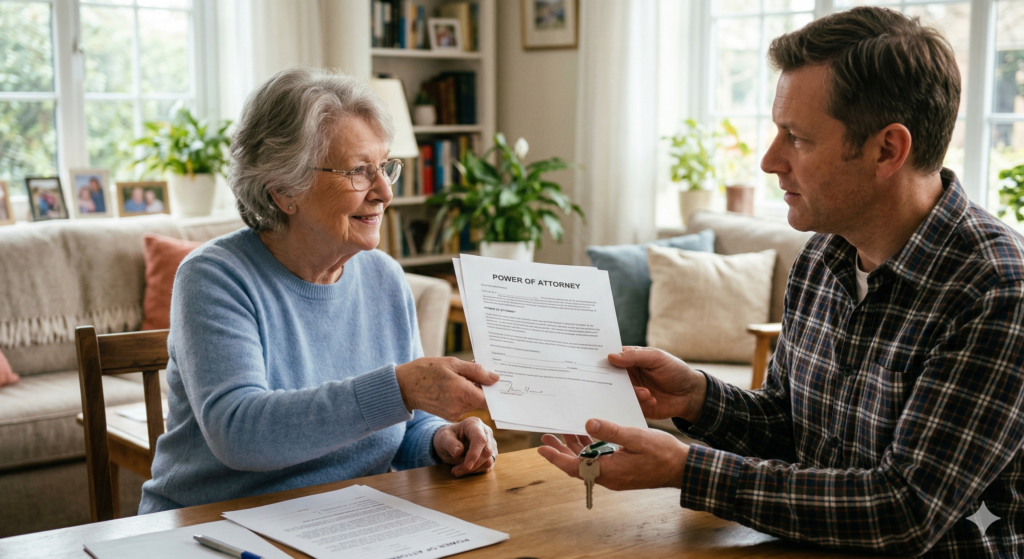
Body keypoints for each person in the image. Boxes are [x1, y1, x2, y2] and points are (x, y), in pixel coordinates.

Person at [539, 7, 1023, 557]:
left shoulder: (996, 290)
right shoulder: (822, 256)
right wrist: (695, 397)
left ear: (888, 149)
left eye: (795, 137)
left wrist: (686, 467)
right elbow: (789, 428)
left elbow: (904, 510)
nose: (770, 160)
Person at [139, 67, 499, 513]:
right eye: (359, 173)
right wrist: (401, 388)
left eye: (385, 167)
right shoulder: (213, 277)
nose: (385, 192)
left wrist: (441, 438)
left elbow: (405, 427)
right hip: (215, 523)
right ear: (284, 191)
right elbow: (239, 433)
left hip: (344, 520)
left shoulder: (384, 278)